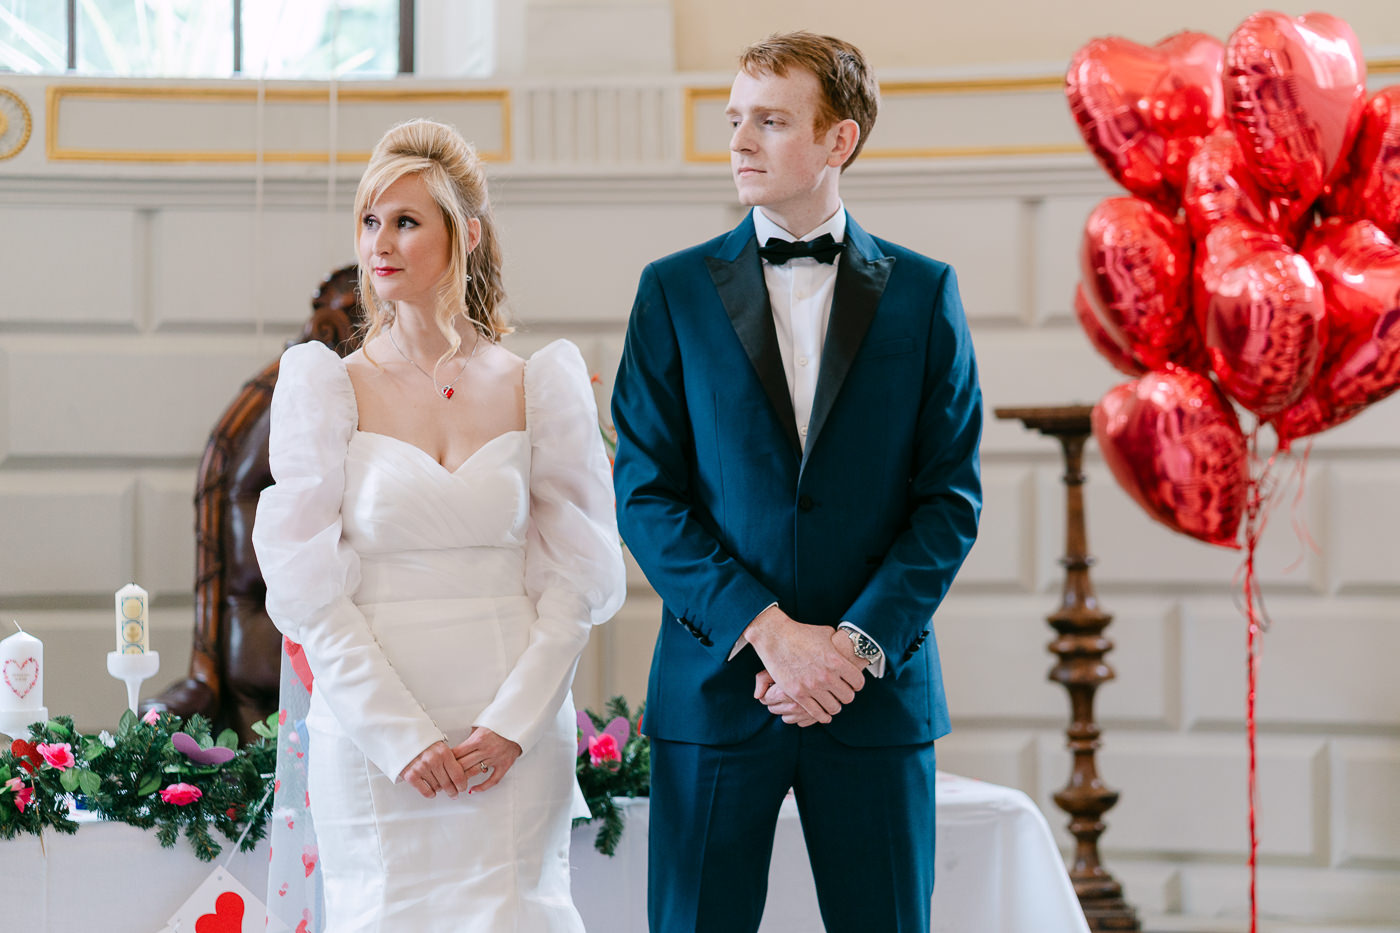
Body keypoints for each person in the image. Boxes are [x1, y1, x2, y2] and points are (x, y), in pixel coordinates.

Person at [611, 32, 982, 933]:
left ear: (838, 139)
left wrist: (852, 648)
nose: (740, 141)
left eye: (771, 122)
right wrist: (772, 633)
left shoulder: (925, 293)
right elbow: (645, 494)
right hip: (717, 689)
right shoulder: (671, 292)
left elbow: (949, 502)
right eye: (735, 119)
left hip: (873, 695)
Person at [252, 118, 625, 933]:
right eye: (369, 220)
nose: (380, 243)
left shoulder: (540, 385)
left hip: (515, 732)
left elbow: (574, 583)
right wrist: (399, 736)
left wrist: (512, 727)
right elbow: (308, 592)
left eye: (406, 221)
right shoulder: (326, 386)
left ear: (467, 235)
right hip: (373, 736)